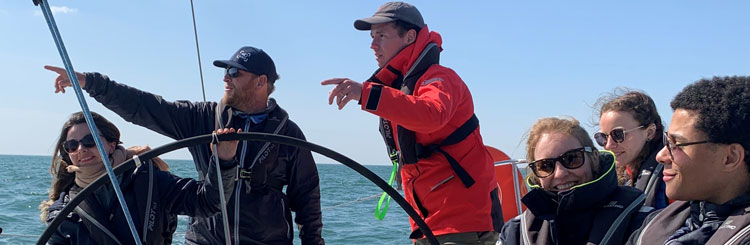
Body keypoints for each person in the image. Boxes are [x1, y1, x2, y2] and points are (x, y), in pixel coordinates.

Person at [45, 46, 324, 244]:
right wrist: (92, 83)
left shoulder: (287, 133)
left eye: (235, 72)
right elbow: (147, 107)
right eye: (225, 70)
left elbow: (307, 196)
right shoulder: (202, 117)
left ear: (261, 81)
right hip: (205, 239)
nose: (225, 77)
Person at [321, 2, 502, 244]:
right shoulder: (403, 87)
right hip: (428, 224)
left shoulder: (440, 78)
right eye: (372, 37)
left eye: (381, 36)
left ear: (409, 37)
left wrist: (367, 94)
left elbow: (431, 114)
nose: (373, 45)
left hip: (463, 222)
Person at [39, 111, 238, 244]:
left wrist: (223, 160)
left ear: (111, 143)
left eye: (90, 141)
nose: (81, 149)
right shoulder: (62, 212)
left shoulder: (148, 180)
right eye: (72, 146)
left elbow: (208, 202)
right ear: (68, 154)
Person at [627, 76, 750, 244]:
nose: (661, 156)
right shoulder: (656, 224)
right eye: (666, 142)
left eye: (676, 144)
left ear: (730, 158)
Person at [499, 117, 652, 245]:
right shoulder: (516, 233)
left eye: (572, 158)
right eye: (545, 166)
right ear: (536, 175)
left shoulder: (642, 223)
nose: (560, 174)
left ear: (594, 158)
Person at [595, 90, 668, 209]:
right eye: (602, 137)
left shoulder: (673, 173)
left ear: (649, 132)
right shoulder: (613, 177)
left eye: (618, 134)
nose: (608, 145)